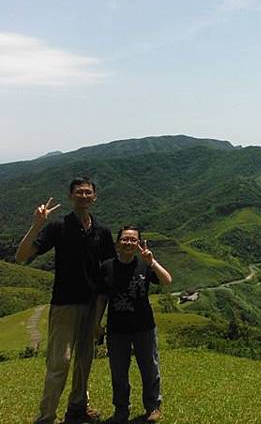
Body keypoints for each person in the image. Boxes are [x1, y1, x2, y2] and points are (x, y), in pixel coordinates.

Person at [16, 177, 116, 424]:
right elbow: (21, 257)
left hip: (93, 305)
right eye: (79, 192)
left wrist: (101, 315)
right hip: (64, 304)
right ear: (71, 197)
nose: (84, 196)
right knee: (60, 362)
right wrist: (36, 225)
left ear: (95, 197)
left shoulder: (101, 232)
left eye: (88, 192)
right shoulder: (58, 227)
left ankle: (78, 408)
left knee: (85, 361)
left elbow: (108, 272)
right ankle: (47, 416)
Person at [96, 226, 172, 423]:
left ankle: (153, 407)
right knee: (118, 371)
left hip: (144, 326)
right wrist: (97, 323)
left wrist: (152, 261)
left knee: (150, 368)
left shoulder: (145, 265)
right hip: (117, 328)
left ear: (138, 243)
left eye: (133, 240)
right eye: (125, 239)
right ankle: (121, 409)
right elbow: (102, 298)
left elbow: (167, 281)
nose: (128, 243)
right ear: (118, 243)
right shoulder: (107, 267)